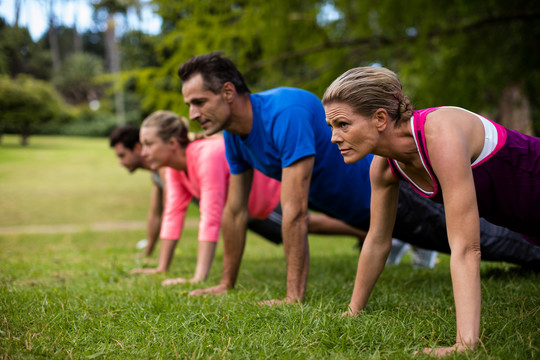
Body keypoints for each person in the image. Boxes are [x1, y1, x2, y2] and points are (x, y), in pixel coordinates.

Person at [178, 52, 540, 305]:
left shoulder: (282, 113)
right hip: (358, 209)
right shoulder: (233, 136)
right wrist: (226, 283)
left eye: (198, 102)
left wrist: (292, 297)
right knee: (468, 240)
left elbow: (295, 212)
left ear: (227, 92)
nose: (192, 114)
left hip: (396, 190)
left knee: (491, 240)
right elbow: (235, 211)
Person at [321, 66, 540, 356]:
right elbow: (376, 240)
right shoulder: (384, 167)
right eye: (331, 127)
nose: (335, 137)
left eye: (343, 124)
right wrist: (353, 311)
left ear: (380, 118)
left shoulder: (440, 135)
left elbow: (466, 247)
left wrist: (464, 344)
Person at [132, 110, 370, 284]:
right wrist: (162, 267)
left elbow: (211, 216)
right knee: (309, 222)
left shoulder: (206, 155)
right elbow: (173, 214)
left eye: (148, 144)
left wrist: (198, 278)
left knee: (309, 221)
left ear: (172, 143)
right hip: (255, 207)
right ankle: (371, 235)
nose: (143, 152)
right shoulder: (173, 168)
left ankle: (371, 236)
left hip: (271, 194)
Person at [109, 125, 165, 257]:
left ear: (137, 148)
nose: (120, 162)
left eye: (122, 155)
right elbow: (155, 214)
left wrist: (162, 265)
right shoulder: (155, 175)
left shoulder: (164, 169)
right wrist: (148, 252)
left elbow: (172, 212)